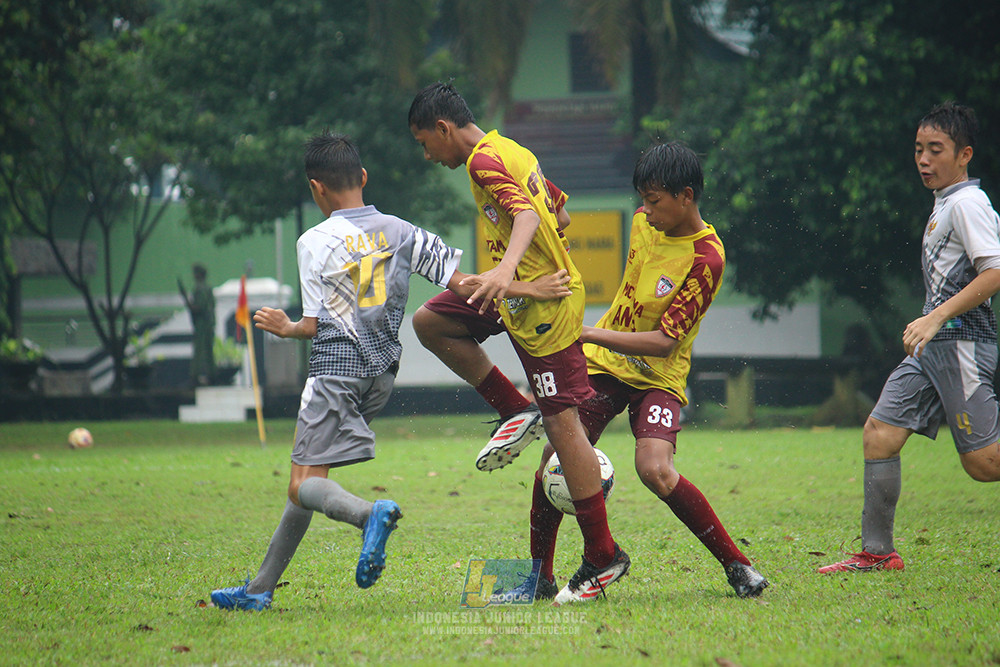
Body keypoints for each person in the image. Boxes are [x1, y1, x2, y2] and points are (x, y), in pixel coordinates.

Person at [209, 132, 569, 612]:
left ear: (316, 188)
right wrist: (530, 287)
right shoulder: (402, 231)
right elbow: (466, 285)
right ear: (362, 177)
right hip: (380, 376)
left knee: (300, 483)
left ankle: (368, 515)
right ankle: (259, 589)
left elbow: (315, 326)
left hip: (335, 370)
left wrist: (286, 327)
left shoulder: (313, 242)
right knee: (310, 480)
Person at [409, 82, 629, 605]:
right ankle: (514, 409)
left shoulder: (483, 162)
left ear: (442, 128)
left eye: (424, 143)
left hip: (543, 312)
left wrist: (509, 268)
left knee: (565, 429)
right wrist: (518, 271)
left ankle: (603, 555)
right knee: (430, 321)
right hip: (517, 297)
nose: (427, 155)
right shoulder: (512, 150)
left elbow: (529, 215)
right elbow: (559, 214)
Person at [819, 102, 1000, 574]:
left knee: (984, 464)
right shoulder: (946, 203)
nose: (923, 159)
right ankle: (878, 554)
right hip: (932, 347)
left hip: (961, 344)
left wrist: (934, 318)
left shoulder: (968, 204)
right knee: (879, 434)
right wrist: (931, 324)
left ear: (964, 154)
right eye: (919, 149)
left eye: (935, 150)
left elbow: (995, 272)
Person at [179, 263, 215, 386]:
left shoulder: (200, 289)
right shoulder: (208, 288)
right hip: (208, 323)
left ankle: (195, 376)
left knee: (199, 350)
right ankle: (212, 375)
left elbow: (197, 308)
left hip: (202, 324)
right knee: (208, 350)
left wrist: (185, 298)